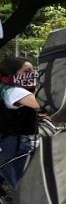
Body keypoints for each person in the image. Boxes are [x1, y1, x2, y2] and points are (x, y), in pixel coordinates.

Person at [0, 57, 40, 189]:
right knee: (28, 190)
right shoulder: (14, 91)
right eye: (27, 71)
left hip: (6, 143)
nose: (32, 74)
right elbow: (43, 104)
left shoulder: (4, 87)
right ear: (12, 74)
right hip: (14, 146)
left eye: (33, 70)